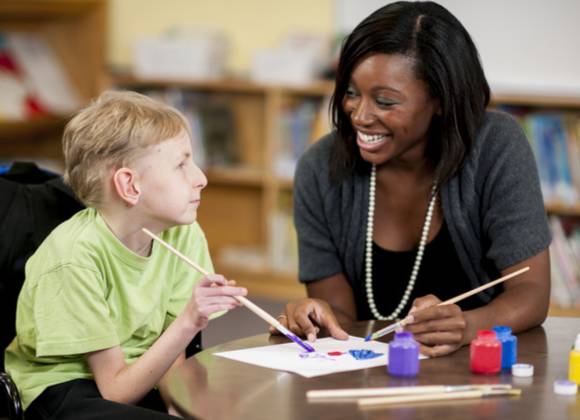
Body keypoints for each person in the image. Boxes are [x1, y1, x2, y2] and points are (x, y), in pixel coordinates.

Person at [274, 1, 551, 358]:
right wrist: (313, 316)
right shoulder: (319, 169)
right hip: (371, 372)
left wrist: (468, 325)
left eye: (386, 101)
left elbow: (531, 291)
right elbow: (339, 318)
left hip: (479, 369)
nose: (359, 115)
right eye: (351, 93)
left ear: (440, 100)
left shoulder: (496, 147)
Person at [4, 91, 248, 419]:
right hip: (66, 388)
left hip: (139, 371)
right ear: (130, 186)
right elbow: (115, 392)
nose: (201, 178)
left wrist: (181, 409)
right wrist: (190, 320)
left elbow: (169, 357)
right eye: (181, 165)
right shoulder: (74, 256)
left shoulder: (182, 233)